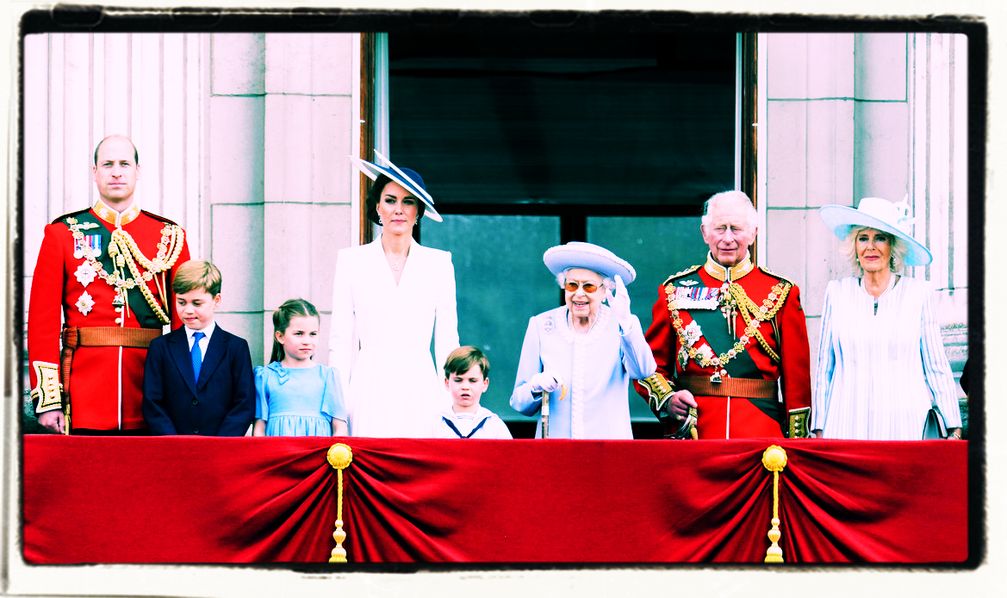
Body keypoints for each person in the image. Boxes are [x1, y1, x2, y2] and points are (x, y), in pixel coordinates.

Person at [27, 135, 191, 434]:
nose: (116, 172)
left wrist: (182, 392)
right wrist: (49, 400)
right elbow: (42, 321)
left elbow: (185, 322)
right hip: (82, 393)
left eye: (124, 164)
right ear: (95, 172)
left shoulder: (169, 236)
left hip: (150, 390)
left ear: (137, 171)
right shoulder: (63, 233)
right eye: (108, 164)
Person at [638, 190, 812, 439]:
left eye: (736, 229)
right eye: (720, 228)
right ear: (704, 233)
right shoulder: (674, 290)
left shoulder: (782, 291)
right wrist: (668, 399)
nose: (728, 238)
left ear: (754, 232)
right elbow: (649, 366)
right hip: (696, 431)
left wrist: (797, 443)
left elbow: (797, 381)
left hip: (761, 434)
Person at [330, 151, 459, 437]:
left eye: (408, 201)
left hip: (421, 384)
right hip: (368, 383)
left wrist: (448, 402)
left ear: (418, 212)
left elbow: (448, 340)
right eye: (390, 200)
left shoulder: (439, 263)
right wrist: (339, 409)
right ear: (377, 207)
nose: (398, 209)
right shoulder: (351, 261)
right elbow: (341, 340)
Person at [813, 196, 963, 440]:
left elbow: (936, 365)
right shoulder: (837, 293)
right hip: (845, 425)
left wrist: (952, 425)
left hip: (905, 425)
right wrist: (818, 427)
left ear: (893, 246)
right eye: (863, 238)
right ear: (854, 246)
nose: (870, 246)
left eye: (880, 237)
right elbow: (824, 369)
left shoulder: (918, 294)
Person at [510, 242, 656, 439]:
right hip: (556, 452)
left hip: (608, 452)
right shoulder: (541, 325)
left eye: (589, 286)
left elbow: (643, 371)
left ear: (605, 291)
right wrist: (536, 386)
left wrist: (625, 322)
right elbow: (520, 403)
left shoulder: (623, 324)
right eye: (572, 285)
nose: (579, 294)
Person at [142, 260, 255, 436]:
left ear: (216, 300)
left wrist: (220, 443)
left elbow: (244, 403)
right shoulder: (160, 347)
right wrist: (173, 442)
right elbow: (153, 402)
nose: (187, 310)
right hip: (172, 448)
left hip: (221, 449)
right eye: (181, 302)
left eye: (196, 303)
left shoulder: (236, 348)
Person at [252, 299, 348, 437]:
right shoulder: (265, 376)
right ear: (280, 336)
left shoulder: (328, 376)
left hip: (317, 455)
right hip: (280, 454)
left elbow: (340, 428)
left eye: (313, 334)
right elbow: (259, 429)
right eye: (299, 334)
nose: (307, 341)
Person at [435, 346, 512, 439]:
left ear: (485, 383)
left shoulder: (495, 426)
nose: (465, 387)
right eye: (458, 380)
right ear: (447, 383)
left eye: (472, 380)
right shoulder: (435, 425)